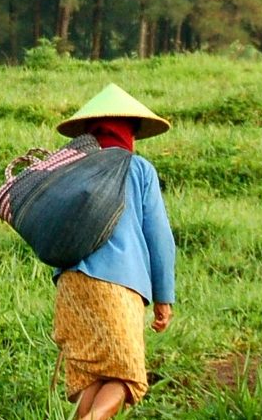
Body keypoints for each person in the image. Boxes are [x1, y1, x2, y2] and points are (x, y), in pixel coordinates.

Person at [50, 84, 176, 420]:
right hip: (119, 285)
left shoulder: (70, 168)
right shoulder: (139, 169)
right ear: (130, 131)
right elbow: (159, 235)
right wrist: (164, 296)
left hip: (71, 284)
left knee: (92, 374)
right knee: (126, 377)